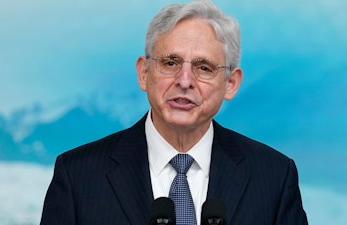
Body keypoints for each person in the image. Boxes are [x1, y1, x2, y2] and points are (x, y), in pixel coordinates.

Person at [40, 0, 308, 224]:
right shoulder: (78, 176)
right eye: (170, 63)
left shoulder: (274, 177)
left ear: (231, 83)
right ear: (144, 73)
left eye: (204, 68)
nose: (184, 80)